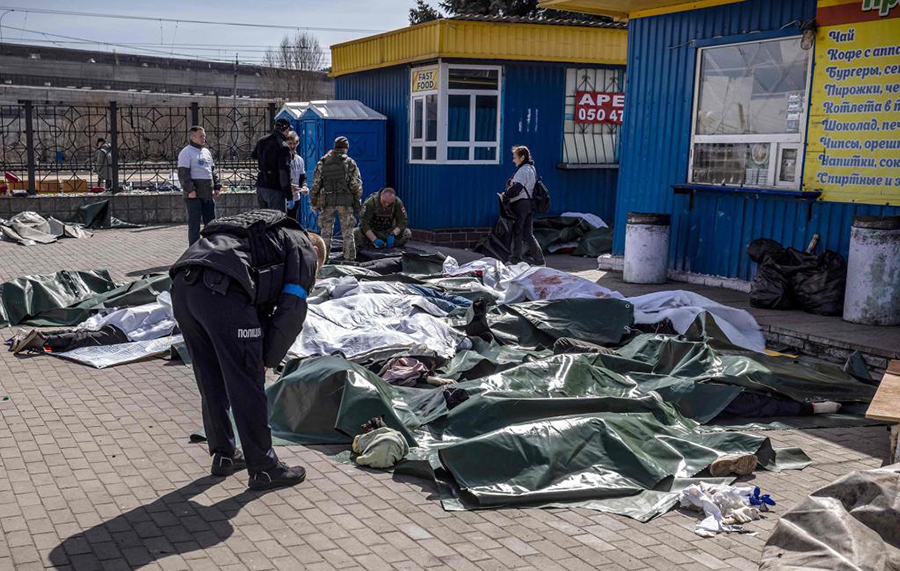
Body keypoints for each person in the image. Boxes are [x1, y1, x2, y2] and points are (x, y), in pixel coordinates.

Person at [169, 210, 326, 490]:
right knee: (247, 381)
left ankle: (224, 454)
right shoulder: (304, 248)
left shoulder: (263, 233)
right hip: (223, 292)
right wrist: (266, 358)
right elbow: (291, 310)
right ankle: (264, 468)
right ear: (315, 250)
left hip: (184, 285)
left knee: (210, 374)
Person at [9, 292, 176, 354]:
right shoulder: (172, 317)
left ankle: (41, 336)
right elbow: (153, 331)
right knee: (85, 338)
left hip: (119, 320)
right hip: (124, 330)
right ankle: (45, 340)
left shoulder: (162, 304)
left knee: (82, 334)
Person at [310, 136, 362, 261]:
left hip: (328, 201)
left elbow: (316, 184)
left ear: (334, 146)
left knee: (325, 233)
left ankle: (323, 259)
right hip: (345, 201)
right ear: (346, 148)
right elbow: (356, 185)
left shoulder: (322, 162)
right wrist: (357, 203)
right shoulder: (350, 163)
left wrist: (314, 202)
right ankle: (349, 260)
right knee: (348, 233)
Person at [178, 126, 221, 245]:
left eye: (204, 135)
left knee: (211, 223)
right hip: (194, 195)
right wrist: (190, 190)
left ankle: (211, 248)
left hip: (207, 193)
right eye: (201, 136)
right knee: (194, 224)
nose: (204, 138)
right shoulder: (186, 152)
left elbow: (212, 171)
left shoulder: (206, 151)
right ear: (193, 137)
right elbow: (183, 174)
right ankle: (194, 250)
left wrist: (217, 186)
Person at [503, 145, 545, 266]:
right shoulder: (531, 168)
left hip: (520, 204)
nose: (513, 160)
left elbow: (517, 187)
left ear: (522, 157)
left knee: (518, 231)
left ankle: (515, 259)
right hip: (529, 203)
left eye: (515, 157)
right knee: (527, 233)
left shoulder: (523, 170)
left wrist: (506, 195)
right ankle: (539, 260)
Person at [251, 118, 293, 212]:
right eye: (288, 130)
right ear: (286, 129)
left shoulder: (262, 140)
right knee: (277, 221)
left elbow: (253, 155)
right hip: (275, 188)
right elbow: (283, 173)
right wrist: (289, 195)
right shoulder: (283, 146)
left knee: (265, 220)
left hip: (261, 185)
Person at [285, 131, 309, 222]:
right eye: (290, 144)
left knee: (293, 221)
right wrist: (289, 187)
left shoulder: (299, 160)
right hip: (284, 197)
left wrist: (304, 186)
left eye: (294, 143)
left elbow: (302, 176)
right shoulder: (282, 159)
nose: (292, 146)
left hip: (295, 197)